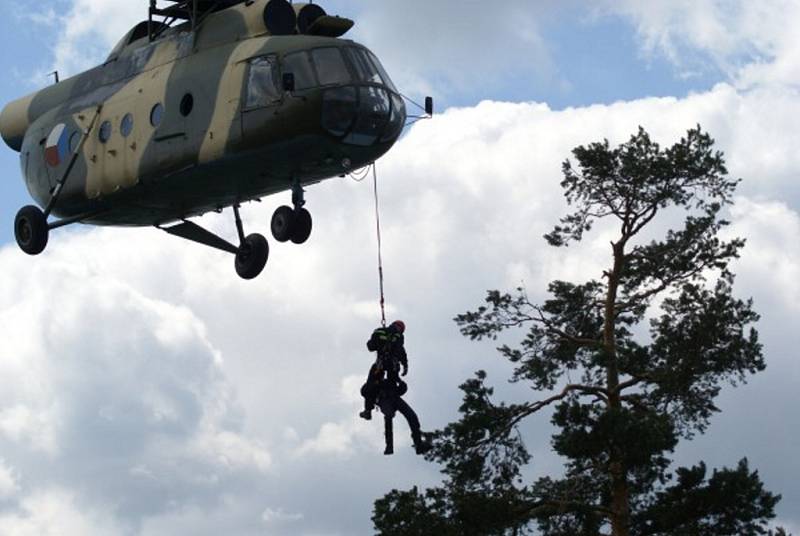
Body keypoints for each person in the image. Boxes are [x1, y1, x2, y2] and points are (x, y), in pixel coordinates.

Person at [359, 320, 430, 455]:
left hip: (389, 379)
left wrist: (404, 365)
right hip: (386, 375)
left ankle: (414, 445)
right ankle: (368, 412)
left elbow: (373, 346)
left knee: (403, 416)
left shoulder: (390, 335)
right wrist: (404, 365)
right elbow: (373, 345)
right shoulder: (388, 334)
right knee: (399, 415)